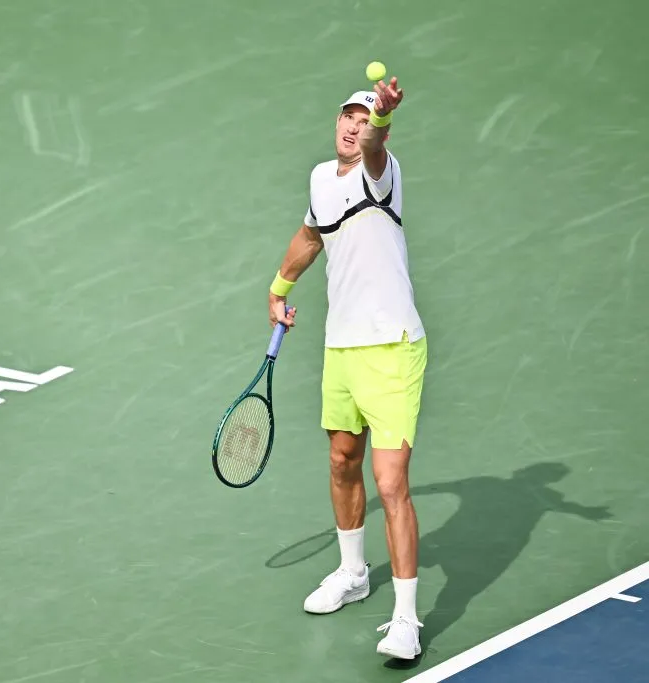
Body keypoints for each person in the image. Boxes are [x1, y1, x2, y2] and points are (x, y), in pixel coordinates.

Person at [266, 75, 427, 660]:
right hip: (342, 348)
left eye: (365, 121)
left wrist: (384, 114)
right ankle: (354, 573)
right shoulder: (319, 178)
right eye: (349, 118)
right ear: (336, 124)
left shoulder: (380, 171)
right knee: (341, 461)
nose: (355, 128)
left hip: (393, 349)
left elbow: (380, 146)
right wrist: (280, 287)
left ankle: (406, 619)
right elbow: (312, 234)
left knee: (390, 484)